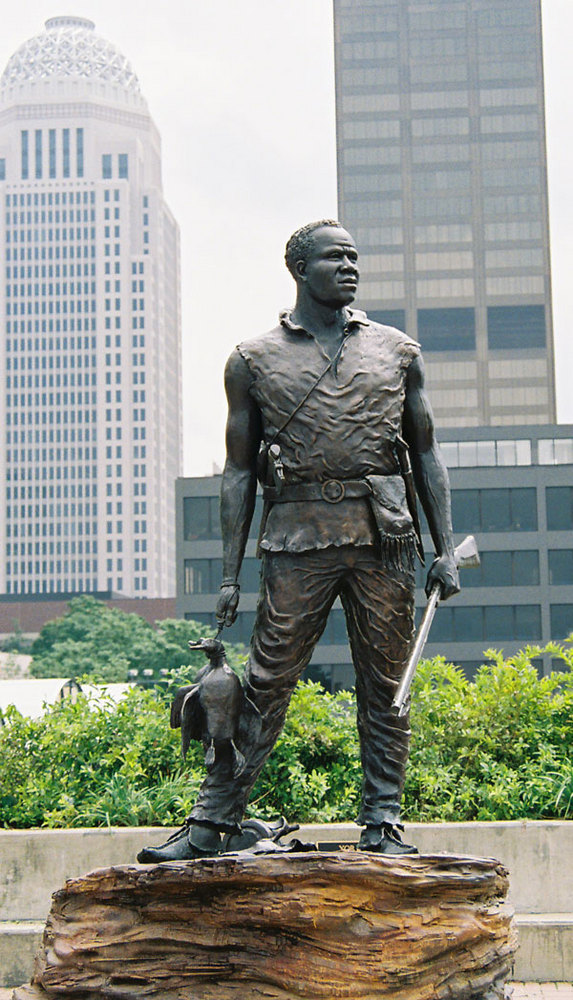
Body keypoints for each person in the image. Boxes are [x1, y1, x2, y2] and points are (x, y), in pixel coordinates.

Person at [139, 220, 460, 864]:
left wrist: (445, 546)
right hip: (295, 539)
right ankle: (215, 819)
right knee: (264, 681)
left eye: (354, 257)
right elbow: (237, 473)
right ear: (299, 268)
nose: (350, 266)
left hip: (385, 539)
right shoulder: (252, 359)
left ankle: (384, 820)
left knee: (387, 685)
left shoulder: (399, 352)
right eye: (334, 257)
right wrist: (230, 576)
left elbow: (425, 452)